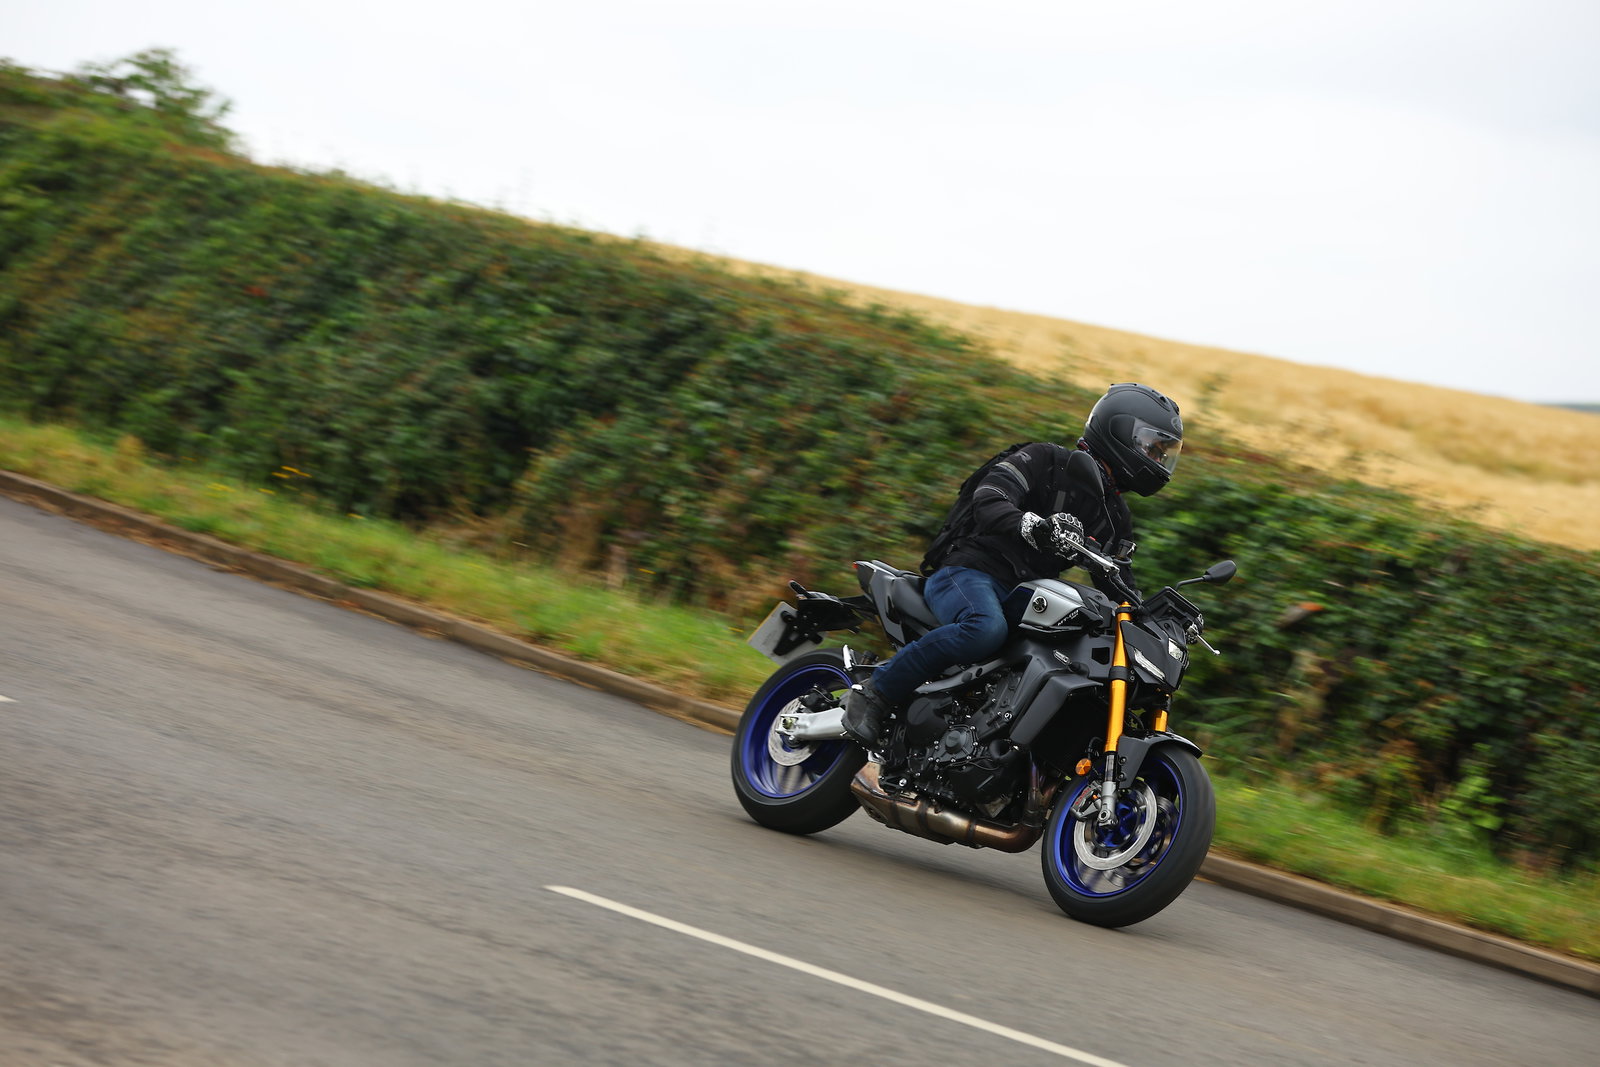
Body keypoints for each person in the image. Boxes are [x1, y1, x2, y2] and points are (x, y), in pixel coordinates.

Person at [840, 383, 1185, 747]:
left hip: (1023, 595)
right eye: (1152, 446)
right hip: (968, 571)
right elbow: (989, 497)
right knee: (984, 628)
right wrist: (1032, 526)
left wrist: (1157, 619)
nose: (1158, 459)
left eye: (1163, 452)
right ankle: (875, 692)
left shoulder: (1114, 515)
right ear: (1118, 431)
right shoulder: (1045, 459)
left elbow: (1119, 580)